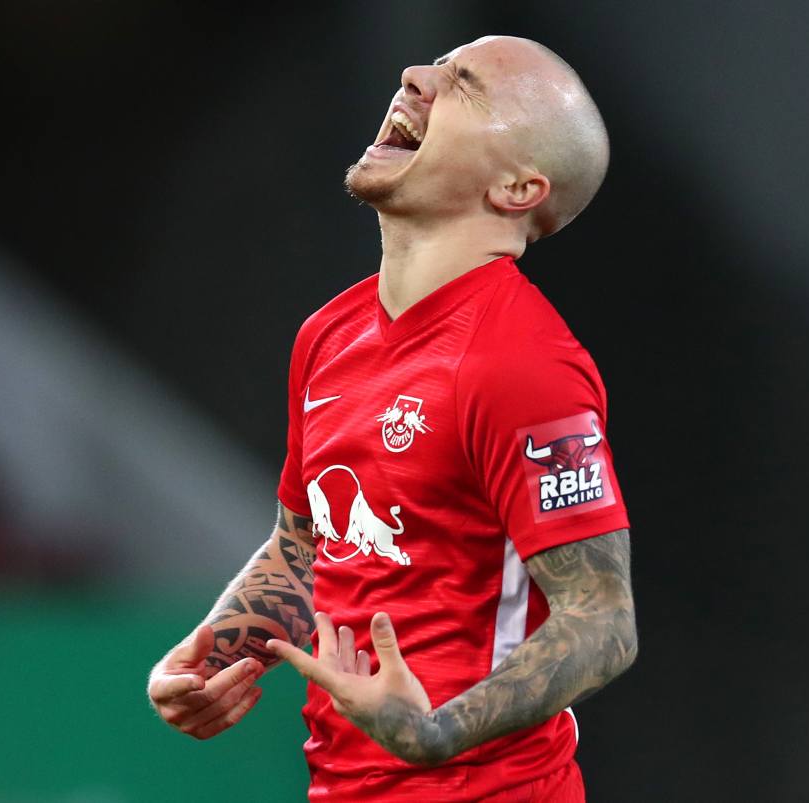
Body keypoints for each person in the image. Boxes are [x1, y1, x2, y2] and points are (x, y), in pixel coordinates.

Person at [147, 35, 636, 801]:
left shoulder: (522, 363)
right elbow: (307, 549)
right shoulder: (329, 335)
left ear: (517, 188)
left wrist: (435, 731)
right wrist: (211, 653)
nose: (413, 78)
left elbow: (602, 620)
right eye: (431, 66)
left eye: (464, 84)